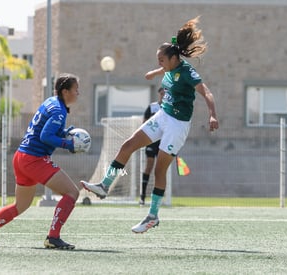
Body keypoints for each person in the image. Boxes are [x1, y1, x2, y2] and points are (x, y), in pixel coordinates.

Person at [81, 16, 219, 233]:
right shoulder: (170, 67)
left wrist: (212, 115)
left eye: (161, 60)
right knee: (127, 145)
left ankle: (152, 216)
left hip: (177, 125)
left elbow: (206, 92)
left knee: (159, 169)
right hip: (163, 116)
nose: (159, 63)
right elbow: (166, 71)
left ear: (173, 58)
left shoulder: (188, 72)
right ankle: (104, 185)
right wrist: (155, 72)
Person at [0, 73, 83, 249]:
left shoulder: (51, 102)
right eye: (76, 90)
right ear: (65, 91)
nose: (78, 93)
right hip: (34, 159)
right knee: (72, 193)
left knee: (21, 205)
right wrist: (67, 144)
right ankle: (53, 238)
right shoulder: (59, 110)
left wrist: (62, 133)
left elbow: (43, 130)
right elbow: (45, 136)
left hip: (21, 157)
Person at [139, 87, 165, 206]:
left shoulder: (170, 108)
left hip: (163, 142)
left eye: (166, 93)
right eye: (162, 93)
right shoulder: (153, 107)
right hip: (151, 141)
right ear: (159, 94)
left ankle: (158, 198)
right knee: (149, 166)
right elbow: (144, 123)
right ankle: (142, 196)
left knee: (160, 169)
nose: (163, 95)